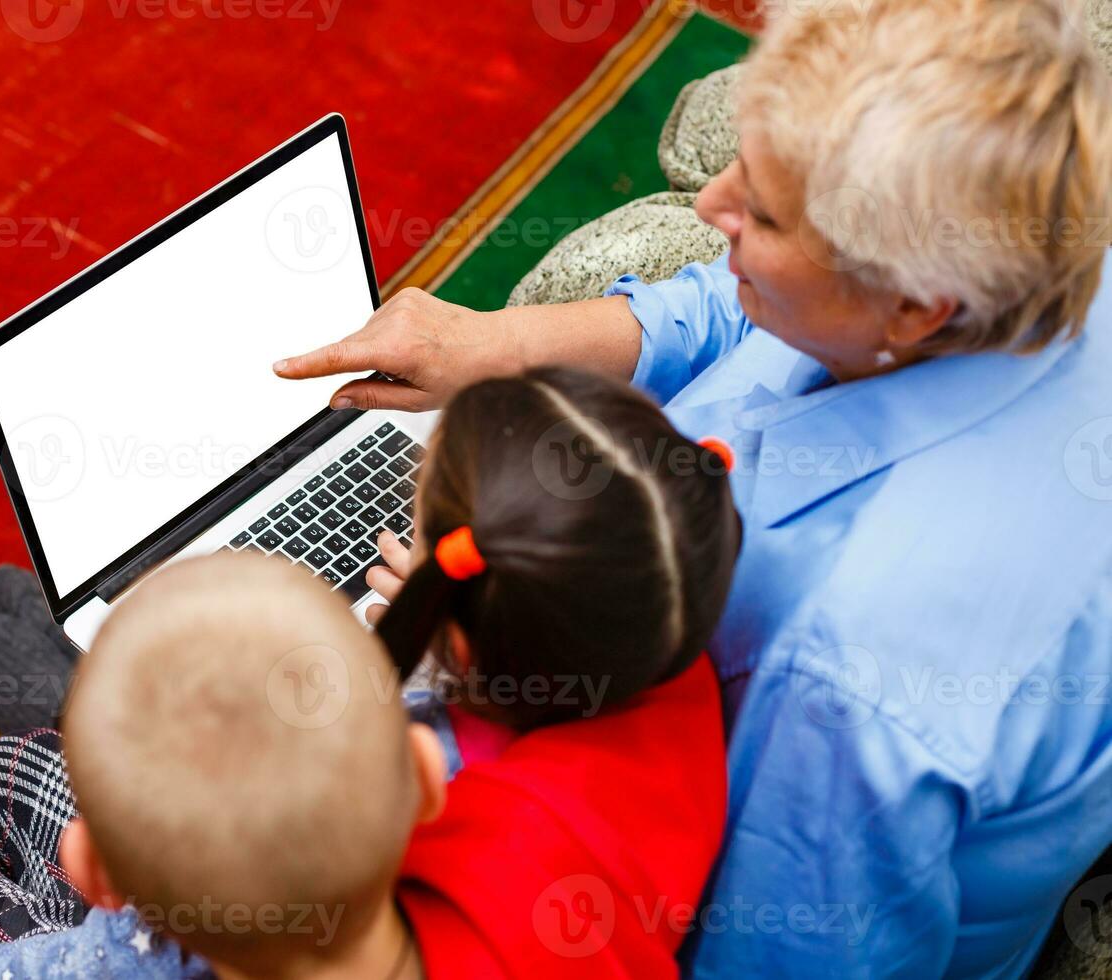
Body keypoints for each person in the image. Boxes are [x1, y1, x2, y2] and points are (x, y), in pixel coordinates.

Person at [273, 1, 1112, 974]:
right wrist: (497, 345)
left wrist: (482, 627)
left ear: (919, 304)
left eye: (761, 212)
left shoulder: (840, 687)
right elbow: (749, 303)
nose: (713, 204)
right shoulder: (1022, 241)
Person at [0, 366, 742, 979]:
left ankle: (96, 710)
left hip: (140, 934)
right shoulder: (665, 674)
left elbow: (99, 961)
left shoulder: (185, 940)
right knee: (16, 768)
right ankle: (92, 723)